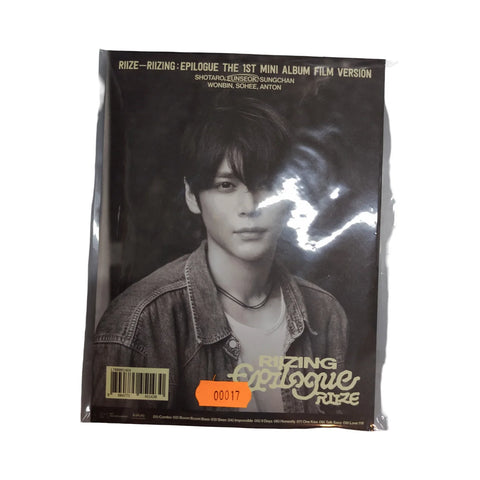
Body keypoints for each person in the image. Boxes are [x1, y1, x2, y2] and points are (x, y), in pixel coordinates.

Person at [91, 95, 348, 414]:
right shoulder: (141, 323)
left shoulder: (326, 314)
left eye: (266, 184)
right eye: (226, 185)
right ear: (192, 195)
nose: (250, 206)